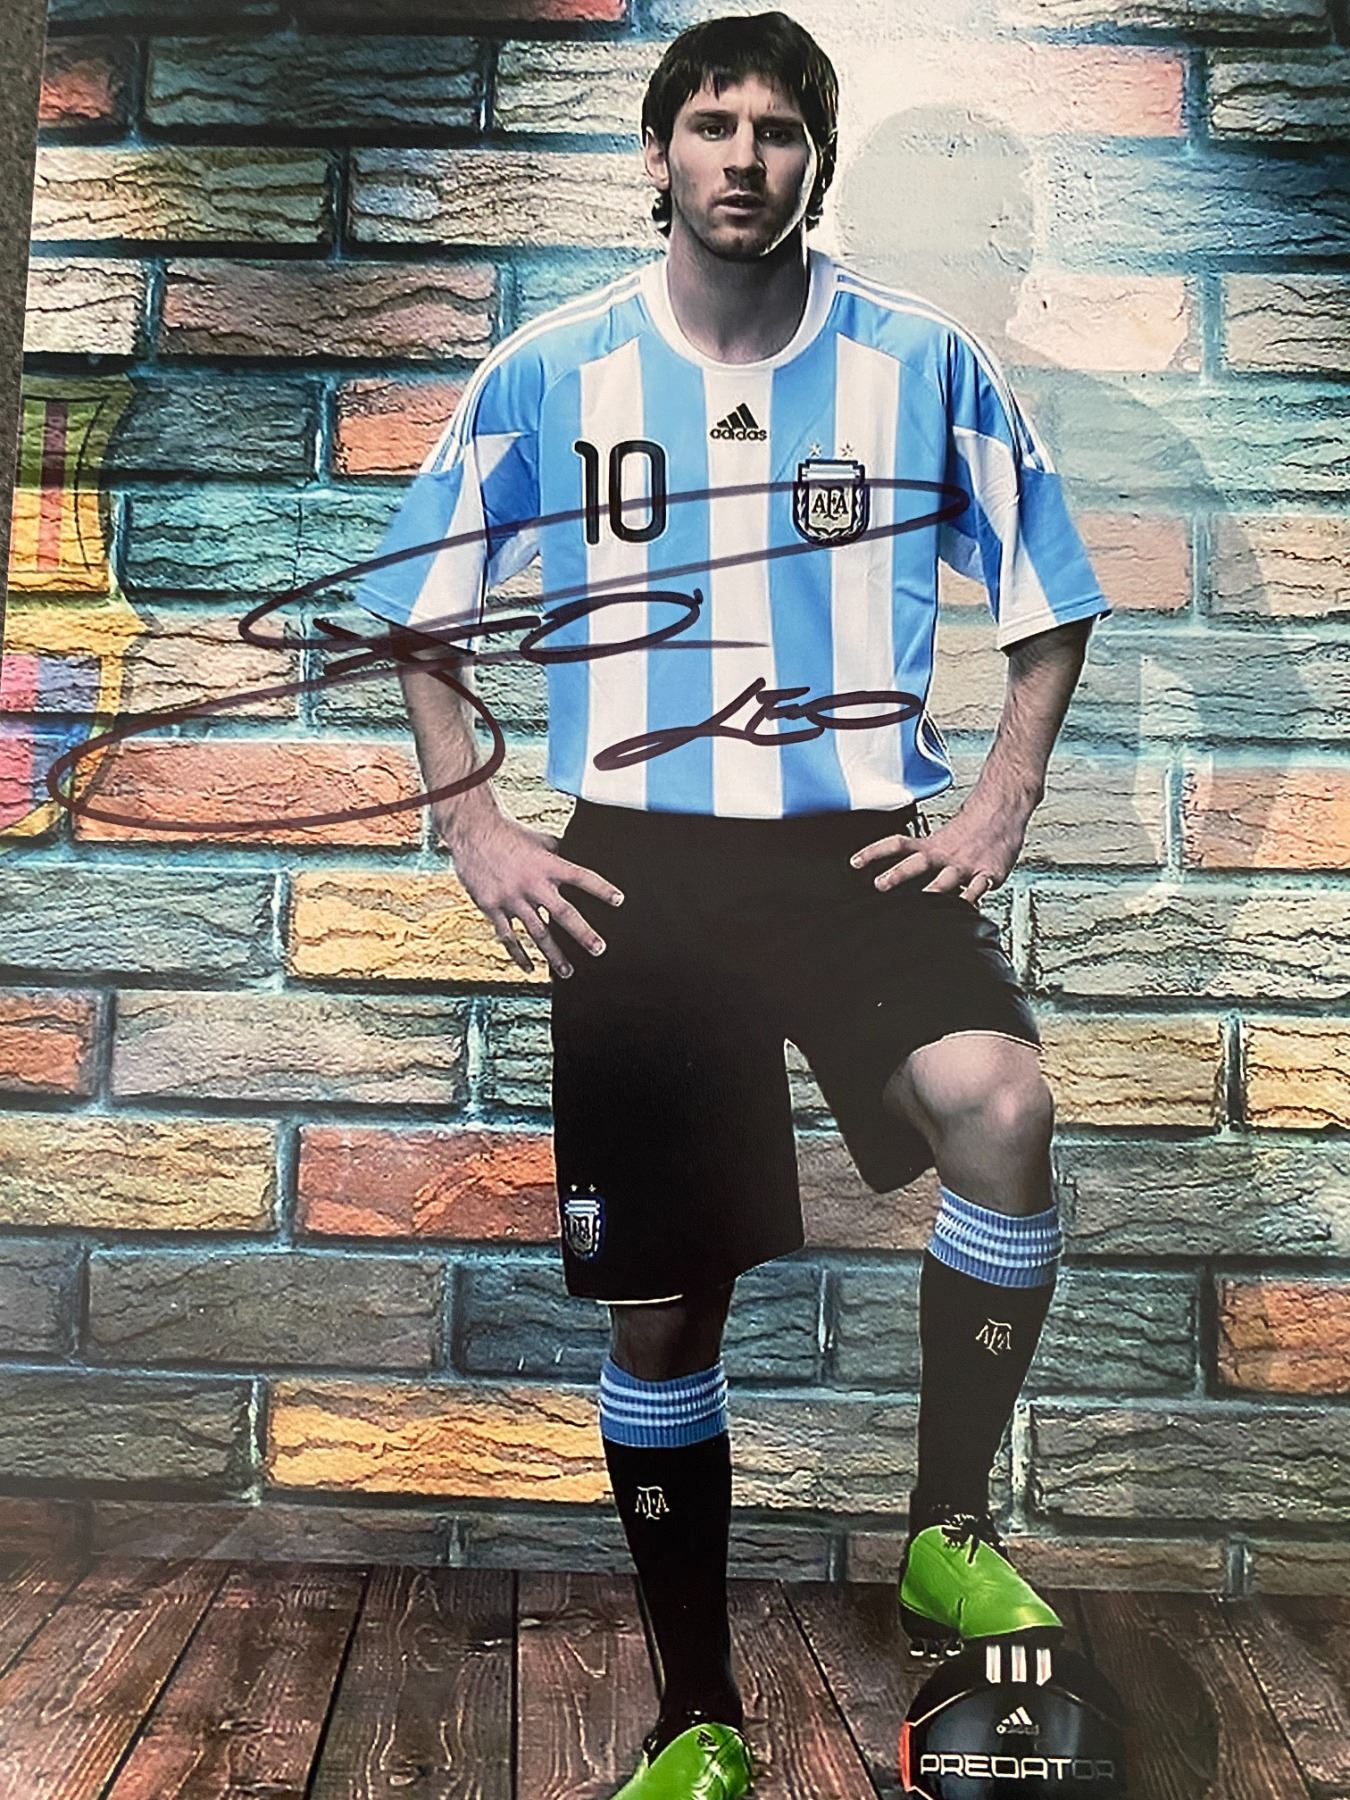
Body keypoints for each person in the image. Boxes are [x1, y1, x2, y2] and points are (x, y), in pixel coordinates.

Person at [353, 13, 1111, 1797]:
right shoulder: (553, 370)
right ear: (658, 152)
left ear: (812, 162)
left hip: (849, 854)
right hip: (645, 868)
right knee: (662, 1309)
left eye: (778, 129)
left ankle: (942, 1528)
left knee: (1001, 1105)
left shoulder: (921, 364)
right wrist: (473, 827)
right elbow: (417, 610)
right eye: (713, 124)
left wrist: (998, 798)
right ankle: (699, 1724)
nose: (745, 156)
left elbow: (1048, 593)